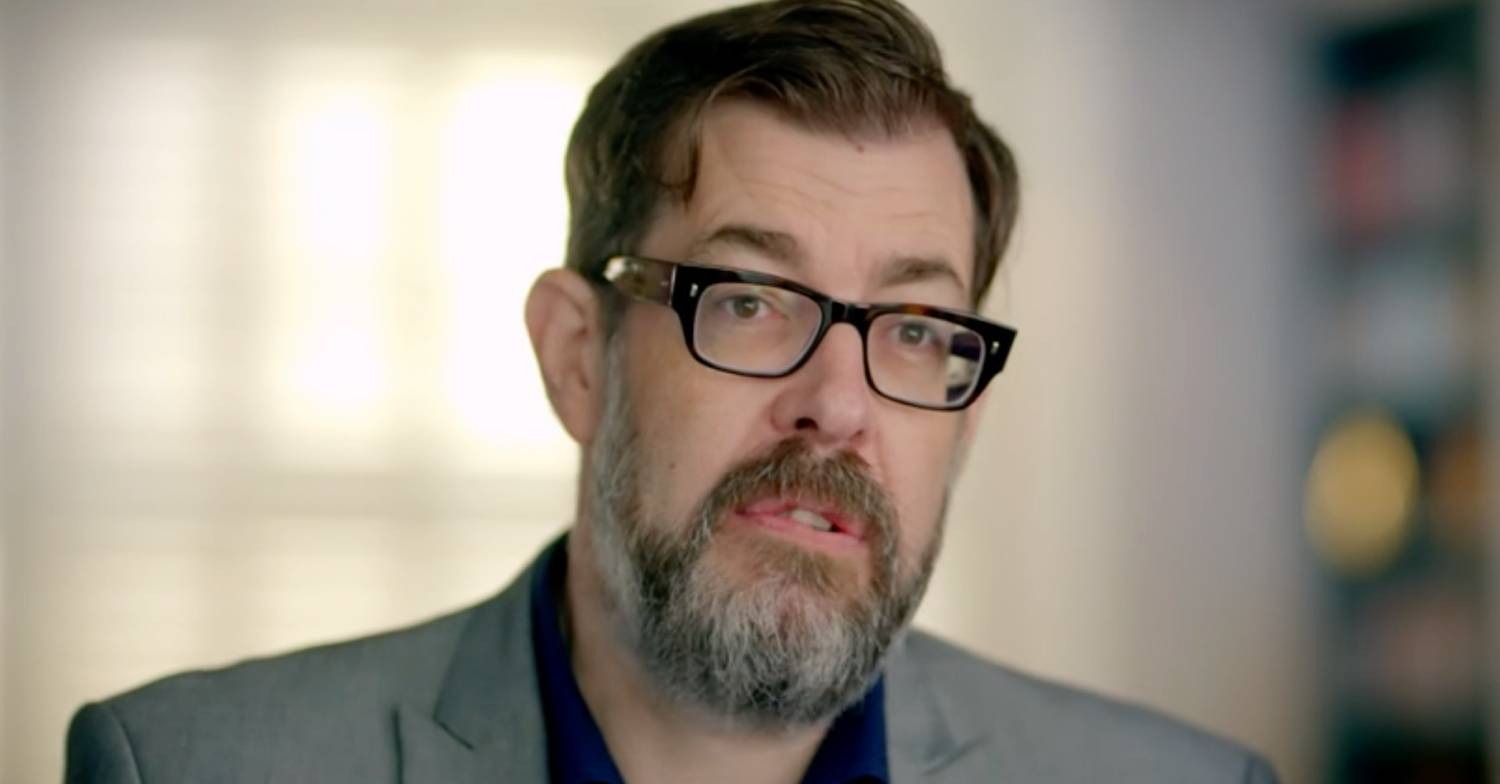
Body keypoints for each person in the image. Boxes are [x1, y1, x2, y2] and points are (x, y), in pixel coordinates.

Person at [64, 1, 1280, 781]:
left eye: (914, 329)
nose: (838, 404)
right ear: (577, 357)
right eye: (749, 299)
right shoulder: (183, 765)